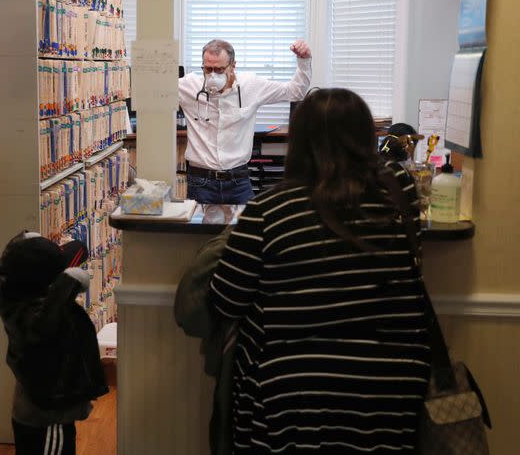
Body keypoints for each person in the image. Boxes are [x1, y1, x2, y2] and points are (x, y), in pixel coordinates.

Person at [208, 88, 431, 454]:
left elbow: (225, 301)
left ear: (298, 142)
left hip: (292, 392)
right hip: (391, 385)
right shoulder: (398, 188)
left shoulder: (268, 208)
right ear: (367, 136)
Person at [0, 232, 109, 455]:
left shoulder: (11, 293)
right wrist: (67, 285)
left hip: (38, 407)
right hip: (47, 416)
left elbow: (78, 249)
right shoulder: (33, 315)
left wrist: (28, 241)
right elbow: (42, 326)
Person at [178, 39, 312, 204]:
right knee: (201, 230)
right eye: (208, 69)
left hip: (238, 181)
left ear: (233, 66)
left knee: (247, 226)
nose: (213, 75)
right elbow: (149, 89)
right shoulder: (188, 87)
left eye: (219, 69)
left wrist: (304, 61)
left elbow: (295, 92)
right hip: (200, 181)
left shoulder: (251, 85)